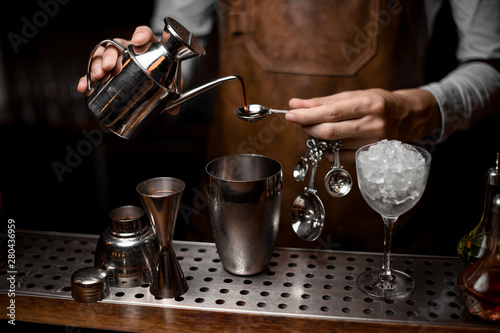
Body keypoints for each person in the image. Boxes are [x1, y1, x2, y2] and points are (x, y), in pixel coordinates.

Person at [78, 0, 500, 252]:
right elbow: (180, 65)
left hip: (383, 238)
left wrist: (414, 110)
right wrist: (144, 73)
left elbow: (490, 64)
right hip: (227, 229)